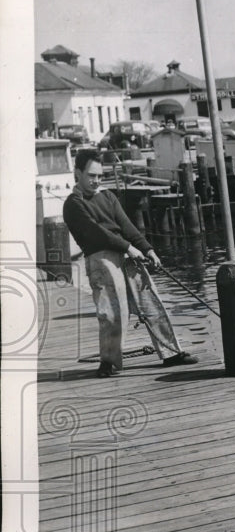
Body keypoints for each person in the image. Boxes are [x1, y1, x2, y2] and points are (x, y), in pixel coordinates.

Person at [63, 148, 198, 378]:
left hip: (127, 253)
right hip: (101, 258)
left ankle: (171, 352)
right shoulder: (73, 204)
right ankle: (108, 362)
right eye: (91, 176)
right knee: (112, 312)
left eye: (99, 175)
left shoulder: (108, 196)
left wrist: (148, 249)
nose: (96, 181)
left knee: (150, 301)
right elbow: (96, 233)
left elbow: (127, 226)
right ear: (78, 174)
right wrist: (129, 248)